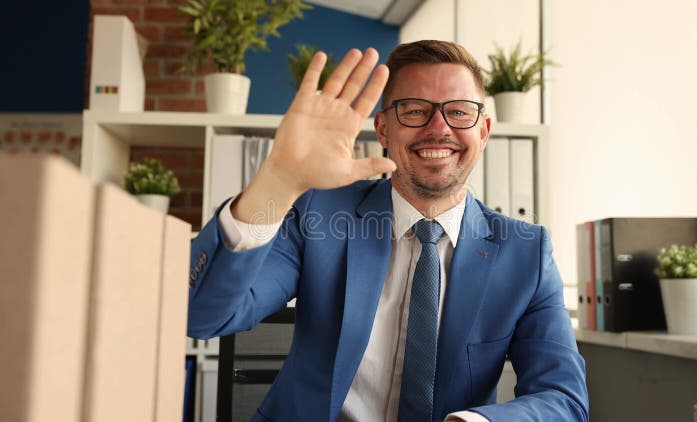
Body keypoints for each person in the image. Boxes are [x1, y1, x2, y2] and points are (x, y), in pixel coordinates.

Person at [187, 40, 588, 421]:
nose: (439, 127)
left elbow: (564, 400)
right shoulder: (318, 214)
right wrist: (278, 180)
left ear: (483, 131)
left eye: (460, 111)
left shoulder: (526, 253)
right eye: (414, 110)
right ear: (382, 130)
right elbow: (201, 317)